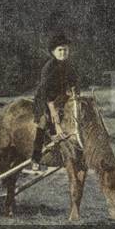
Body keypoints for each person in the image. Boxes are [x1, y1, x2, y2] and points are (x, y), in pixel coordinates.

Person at [31, 33, 80, 170]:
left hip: (62, 99)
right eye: (60, 50)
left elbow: (75, 84)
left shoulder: (70, 67)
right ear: (53, 52)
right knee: (44, 121)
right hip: (45, 100)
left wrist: (73, 93)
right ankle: (36, 157)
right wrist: (53, 112)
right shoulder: (48, 68)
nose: (63, 53)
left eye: (65, 50)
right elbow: (46, 92)